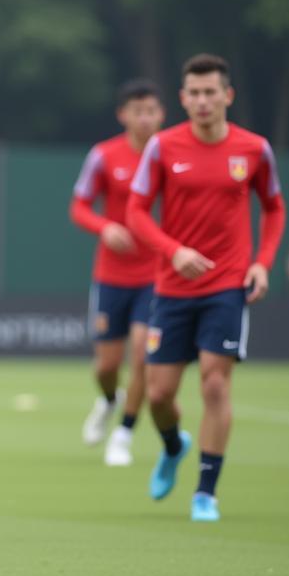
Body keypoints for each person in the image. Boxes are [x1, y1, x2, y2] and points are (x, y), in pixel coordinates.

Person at [127, 53, 285, 522]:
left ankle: (205, 493)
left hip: (228, 286)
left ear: (227, 96)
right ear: (183, 98)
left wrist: (262, 263)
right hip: (173, 286)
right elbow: (136, 212)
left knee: (215, 384)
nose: (202, 101)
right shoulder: (162, 147)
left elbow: (274, 209)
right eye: (193, 93)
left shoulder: (254, 149)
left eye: (210, 92)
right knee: (158, 395)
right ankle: (175, 446)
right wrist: (172, 250)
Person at [70, 79, 165, 466]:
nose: (145, 119)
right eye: (137, 111)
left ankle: (123, 435)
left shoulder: (171, 155)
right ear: (123, 114)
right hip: (111, 275)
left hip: (156, 277)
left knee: (142, 356)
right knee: (107, 366)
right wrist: (104, 227)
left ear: (162, 114)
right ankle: (110, 400)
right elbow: (79, 207)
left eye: (152, 111)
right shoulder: (104, 155)